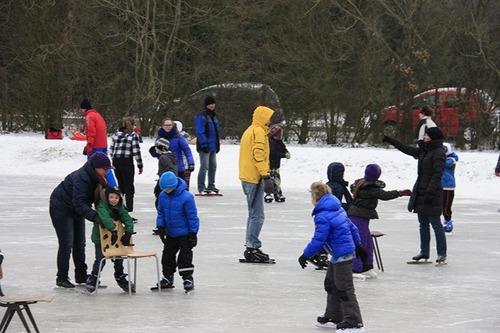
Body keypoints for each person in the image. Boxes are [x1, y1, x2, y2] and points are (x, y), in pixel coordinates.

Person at [298, 181, 365, 332]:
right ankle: (334, 315)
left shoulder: (322, 215)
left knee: (344, 288)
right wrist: (358, 245)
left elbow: (319, 239)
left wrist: (305, 255)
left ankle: (354, 321)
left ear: (315, 198)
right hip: (339, 254)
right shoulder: (337, 208)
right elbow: (352, 227)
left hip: (342, 255)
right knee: (331, 285)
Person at [383, 127, 447, 264]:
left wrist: (429, 192)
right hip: (420, 191)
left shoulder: (439, 153)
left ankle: (442, 253)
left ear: (433, 138)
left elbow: (437, 175)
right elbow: (406, 149)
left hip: (432, 193)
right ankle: (424, 252)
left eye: (427, 135)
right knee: (422, 224)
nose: (424, 137)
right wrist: (391, 140)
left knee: (436, 224)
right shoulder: (425, 150)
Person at [49, 152, 114, 288]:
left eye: (108, 169)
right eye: (105, 168)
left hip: (76, 209)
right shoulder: (82, 177)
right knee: (67, 243)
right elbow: (79, 202)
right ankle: (61, 278)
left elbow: (107, 195)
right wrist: (95, 217)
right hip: (61, 207)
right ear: (96, 167)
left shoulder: (99, 177)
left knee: (80, 243)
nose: (107, 171)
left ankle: (81, 276)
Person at [348, 164, 412, 277]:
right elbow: (384, 195)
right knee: (360, 242)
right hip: (358, 217)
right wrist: (399, 193)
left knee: (368, 241)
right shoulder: (370, 188)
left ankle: (366, 266)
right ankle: (355, 268)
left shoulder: (361, 183)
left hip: (361, 217)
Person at [239, 105, 275, 261]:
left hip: (249, 177)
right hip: (254, 178)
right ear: (262, 118)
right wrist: (266, 176)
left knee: (253, 214)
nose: (270, 121)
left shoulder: (250, 130)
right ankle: (252, 247)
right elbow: (257, 155)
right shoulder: (258, 132)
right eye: (268, 117)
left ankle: (251, 245)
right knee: (257, 215)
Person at [153, 171, 200, 292]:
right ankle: (168, 277)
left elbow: (192, 216)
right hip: (171, 233)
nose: (166, 191)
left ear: (174, 186)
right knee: (167, 255)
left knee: (185, 257)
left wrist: (193, 233)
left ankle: (187, 278)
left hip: (185, 233)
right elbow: (161, 212)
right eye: (163, 189)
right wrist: (161, 227)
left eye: (168, 189)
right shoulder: (163, 196)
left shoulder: (187, 197)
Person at [85, 186, 135, 294]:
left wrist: (129, 232)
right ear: (106, 197)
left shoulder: (120, 207)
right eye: (111, 197)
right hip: (100, 239)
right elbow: (105, 218)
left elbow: (127, 218)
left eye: (116, 198)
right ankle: (93, 279)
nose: (114, 200)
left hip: (116, 240)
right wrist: (113, 230)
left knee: (119, 259)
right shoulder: (101, 206)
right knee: (100, 260)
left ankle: (120, 277)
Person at [109, 117, 143, 221]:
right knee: (129, 187)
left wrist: (113, 159)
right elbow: (136, 151)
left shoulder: (116, 134)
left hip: (116, 161)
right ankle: (129, 211)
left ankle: (118, 208)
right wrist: (140, 164)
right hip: (126, 161)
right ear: (133, 125)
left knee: (121, 187)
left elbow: (111, 149)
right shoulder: (133, 135)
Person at [80, 98, 117, 186]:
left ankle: (94, 186)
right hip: (103, 145)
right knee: (106, 167)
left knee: (92, 168)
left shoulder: (89, 116)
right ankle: (113, 186)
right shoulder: (98, 115)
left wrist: (89, 146)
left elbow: (91, 132)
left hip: (95, 146)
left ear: (84, 108)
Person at [152, 118, 195, 190]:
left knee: (180, 190)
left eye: (170, 125)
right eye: (166, 125)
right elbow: (156, 153)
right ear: (162, 126)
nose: (168, 127)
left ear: (173, 126)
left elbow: (186, 150)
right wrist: (154, 151)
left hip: (178, 168)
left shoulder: (178, 137)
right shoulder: (160, 137)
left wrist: (191, 163)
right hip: (164, 168)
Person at [195, 96, 221, 193]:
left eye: (213, 104)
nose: (212, 106)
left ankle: (211, 185)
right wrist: (204, 144)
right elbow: (200, 131)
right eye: (210, 104)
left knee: (213, 166)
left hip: (213, 146)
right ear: (206, 105)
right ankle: (201, 186)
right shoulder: (202, 117)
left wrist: (218, 144)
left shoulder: (215, 116)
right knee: (204, 166)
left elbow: (217, 131)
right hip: (205, 146)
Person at [265, 124, 291, 203]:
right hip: (270, 165)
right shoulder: (270, 142)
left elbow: (283, 148)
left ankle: (278, 194)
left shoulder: (279, 142)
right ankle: (268, 193)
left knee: (277, 180)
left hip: (276, 165)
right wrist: (283, 155)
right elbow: (273, 153)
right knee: (269, 180)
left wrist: (286, 153)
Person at [151, 138, 178, 209]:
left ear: (162, 148)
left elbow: (170, 169)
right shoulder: (170, 156)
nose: (155, 149)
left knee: (159, 200)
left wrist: (165, 177)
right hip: (167, 181)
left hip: (165, 182)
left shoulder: (163, 157)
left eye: (156, 147)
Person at [442, 142, 458, 232]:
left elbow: (446, 164)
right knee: (437, 205)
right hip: (438, 185)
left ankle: (448, 220)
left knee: (446, 206)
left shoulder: (452, 159)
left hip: (448, 186)